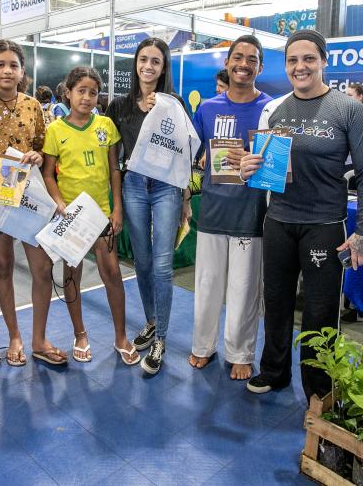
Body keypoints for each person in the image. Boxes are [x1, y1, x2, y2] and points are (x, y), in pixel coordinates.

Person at [239, 30, 363, 401]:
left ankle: (319, 390)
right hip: (279, 221)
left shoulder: (349, 110)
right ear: (286, 66)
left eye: (308, 59)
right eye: (293, 60)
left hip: (325, 225)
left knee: (320, 312)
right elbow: (266, 168)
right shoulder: (276, 110)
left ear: (323, 62)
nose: (300, 67)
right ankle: (274, 371)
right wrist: (248, 169)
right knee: (276, 302)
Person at [0, 39, 66, 366]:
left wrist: (36, 156)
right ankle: (14, 336)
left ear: (22, 72)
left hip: (30, 199)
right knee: (3, 265)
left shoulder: (33, 107)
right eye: (1, 65)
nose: (7, 71)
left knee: (42, 268)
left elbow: (43, 149)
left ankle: (39, 339)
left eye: (13, 65)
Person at [41, 66, 139, 366]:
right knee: (72, 273)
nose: (86, 97)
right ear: (68, 93)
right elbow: (48, 174)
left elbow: (114, 169)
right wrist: (59, 202)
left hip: (101, 214)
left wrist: (117, 207)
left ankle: (121, 336)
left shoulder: (106, 125)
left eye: (93, 93)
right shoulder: (55, 130)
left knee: (112, 273)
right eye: (81, 91)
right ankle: (80, 334)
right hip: (71, 217)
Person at [107, 37, 191, 375]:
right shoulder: (119, 105)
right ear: (136, 62)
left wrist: (186, 198)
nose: (148, 66)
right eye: (143, 59)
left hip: (167, 187)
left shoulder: (175, 103)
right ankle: (152, 321)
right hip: (134, 186)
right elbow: (110, 153)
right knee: (141, 262)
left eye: (156, 61)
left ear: (164, 66)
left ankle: (162, 339)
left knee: (162, 265)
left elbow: (186, 152)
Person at [190, 35, 272, 380]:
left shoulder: (271, 109)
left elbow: (277, 168)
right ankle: (202, 345)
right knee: (207, 285)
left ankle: (240, 352)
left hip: (250, 213)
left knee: (244, 289)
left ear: (260, 67)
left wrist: (255, 160)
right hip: (213, 210)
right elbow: (191, 153)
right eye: (238, 57)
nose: (243, 64)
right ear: (227, 63)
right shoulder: (208, 108)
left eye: (252, 59)